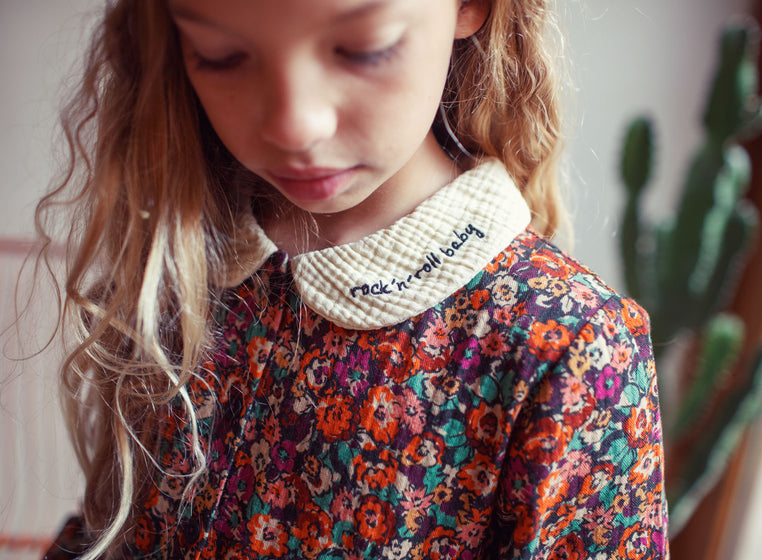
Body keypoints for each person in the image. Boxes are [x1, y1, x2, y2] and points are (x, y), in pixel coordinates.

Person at [41, 0, 668, 558]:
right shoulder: (176, 256)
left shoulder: (568, 346)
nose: (294, 125)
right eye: (223, 56)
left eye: (363, 48)